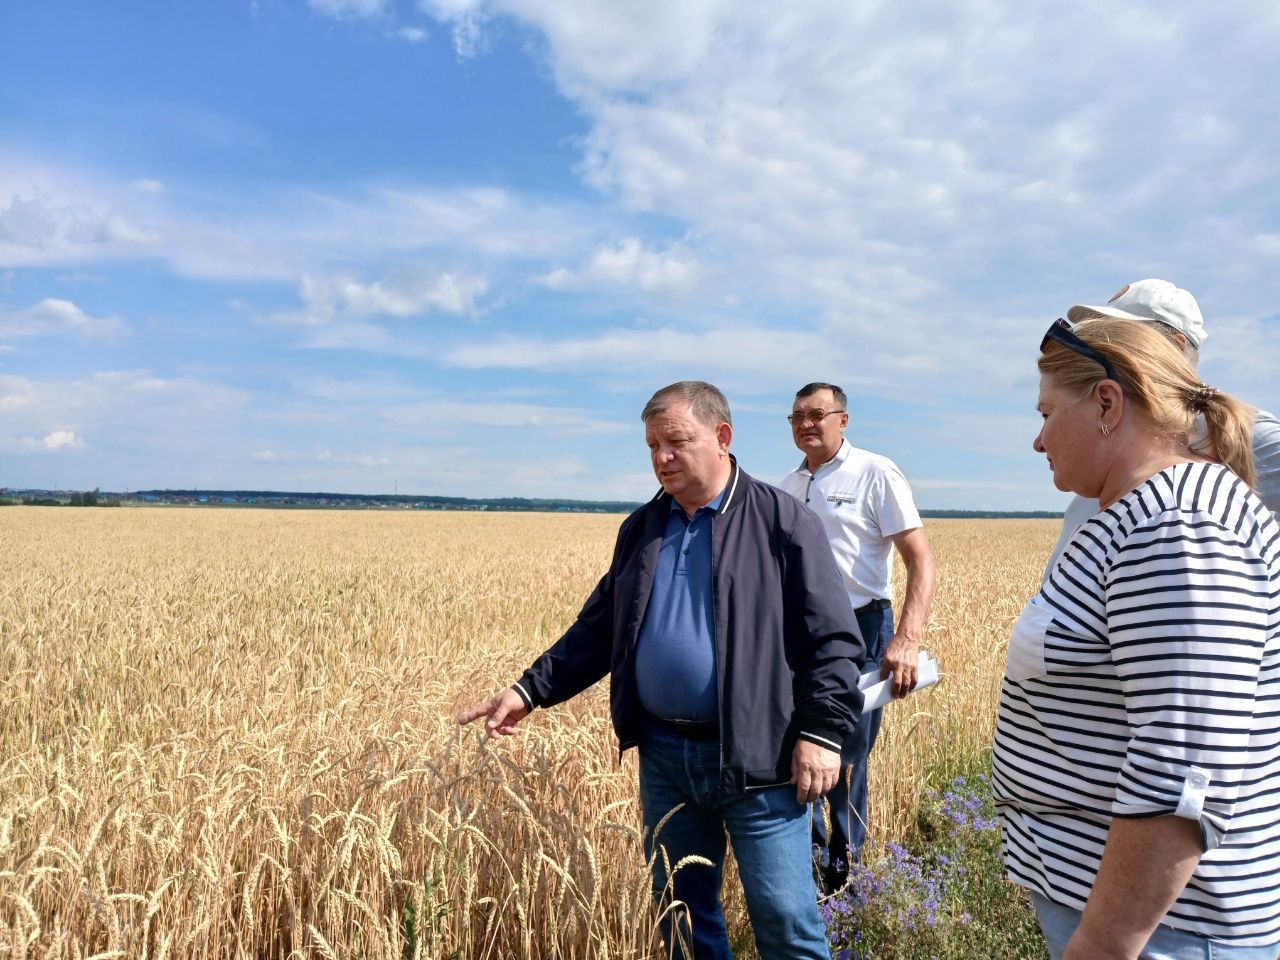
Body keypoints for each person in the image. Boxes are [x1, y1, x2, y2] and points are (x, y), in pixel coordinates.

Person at [459, 380, 865, 960]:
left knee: (786, 922)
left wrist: (822, 734)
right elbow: (600, 629)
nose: (661, 458)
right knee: (682, 918)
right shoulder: (643, 529)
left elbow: (832, 641)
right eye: (652, 446)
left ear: (722, 437)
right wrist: (529, 690)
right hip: (667, 759)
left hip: (760, 758)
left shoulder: (783, 522)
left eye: (675, 442)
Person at [993, 316, 1280, 959]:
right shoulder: (1137, 515)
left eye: (1046, 413)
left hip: (1166, 933)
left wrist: (1102, 941)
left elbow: (1186, 768)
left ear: (1106, 403)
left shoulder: (1177, 528)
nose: (1038, 440)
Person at [777, 382, 936, 890]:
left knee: (844, 760)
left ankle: (844, 884)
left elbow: (921, 560)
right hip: (798, 635)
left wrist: (906, 638)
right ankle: (812, 879)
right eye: (797, 416)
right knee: (795, 753)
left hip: (861, 628)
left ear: (842, 420)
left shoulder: (875, 472)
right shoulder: (786, 485)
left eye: (817, 414)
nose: (806, 424)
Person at [1045, 278, 1280, 573]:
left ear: (1176, 348)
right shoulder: (1110, 442)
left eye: (1119, 338)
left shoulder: (1230, 429)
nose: (1102, 350)